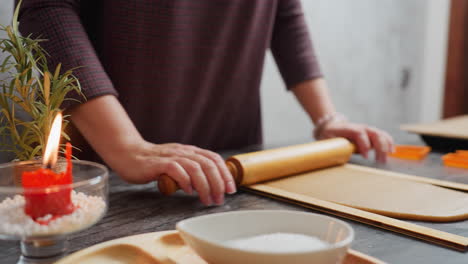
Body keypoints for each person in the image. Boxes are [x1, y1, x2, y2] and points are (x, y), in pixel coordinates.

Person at [18, 0, 393, 206]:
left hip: (231, 163)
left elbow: (282, 10)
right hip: (113, 174)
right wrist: (127, 147)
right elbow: (46, 7)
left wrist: (327, 117)